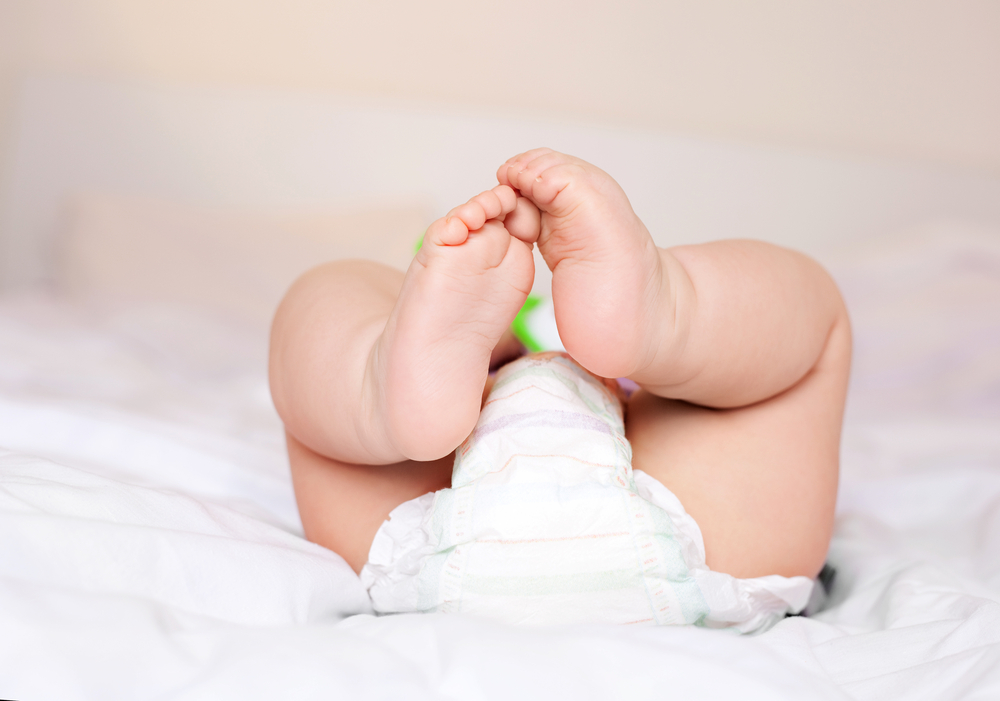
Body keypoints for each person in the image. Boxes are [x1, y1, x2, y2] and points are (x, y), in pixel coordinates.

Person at [268, 148, 851, 628]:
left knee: (327, 301)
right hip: (699, 543)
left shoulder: (473, 358)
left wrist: (489, 350)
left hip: (423, 541)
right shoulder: (591, 349)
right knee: (806, 322)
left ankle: (376, 387)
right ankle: (672, 313)